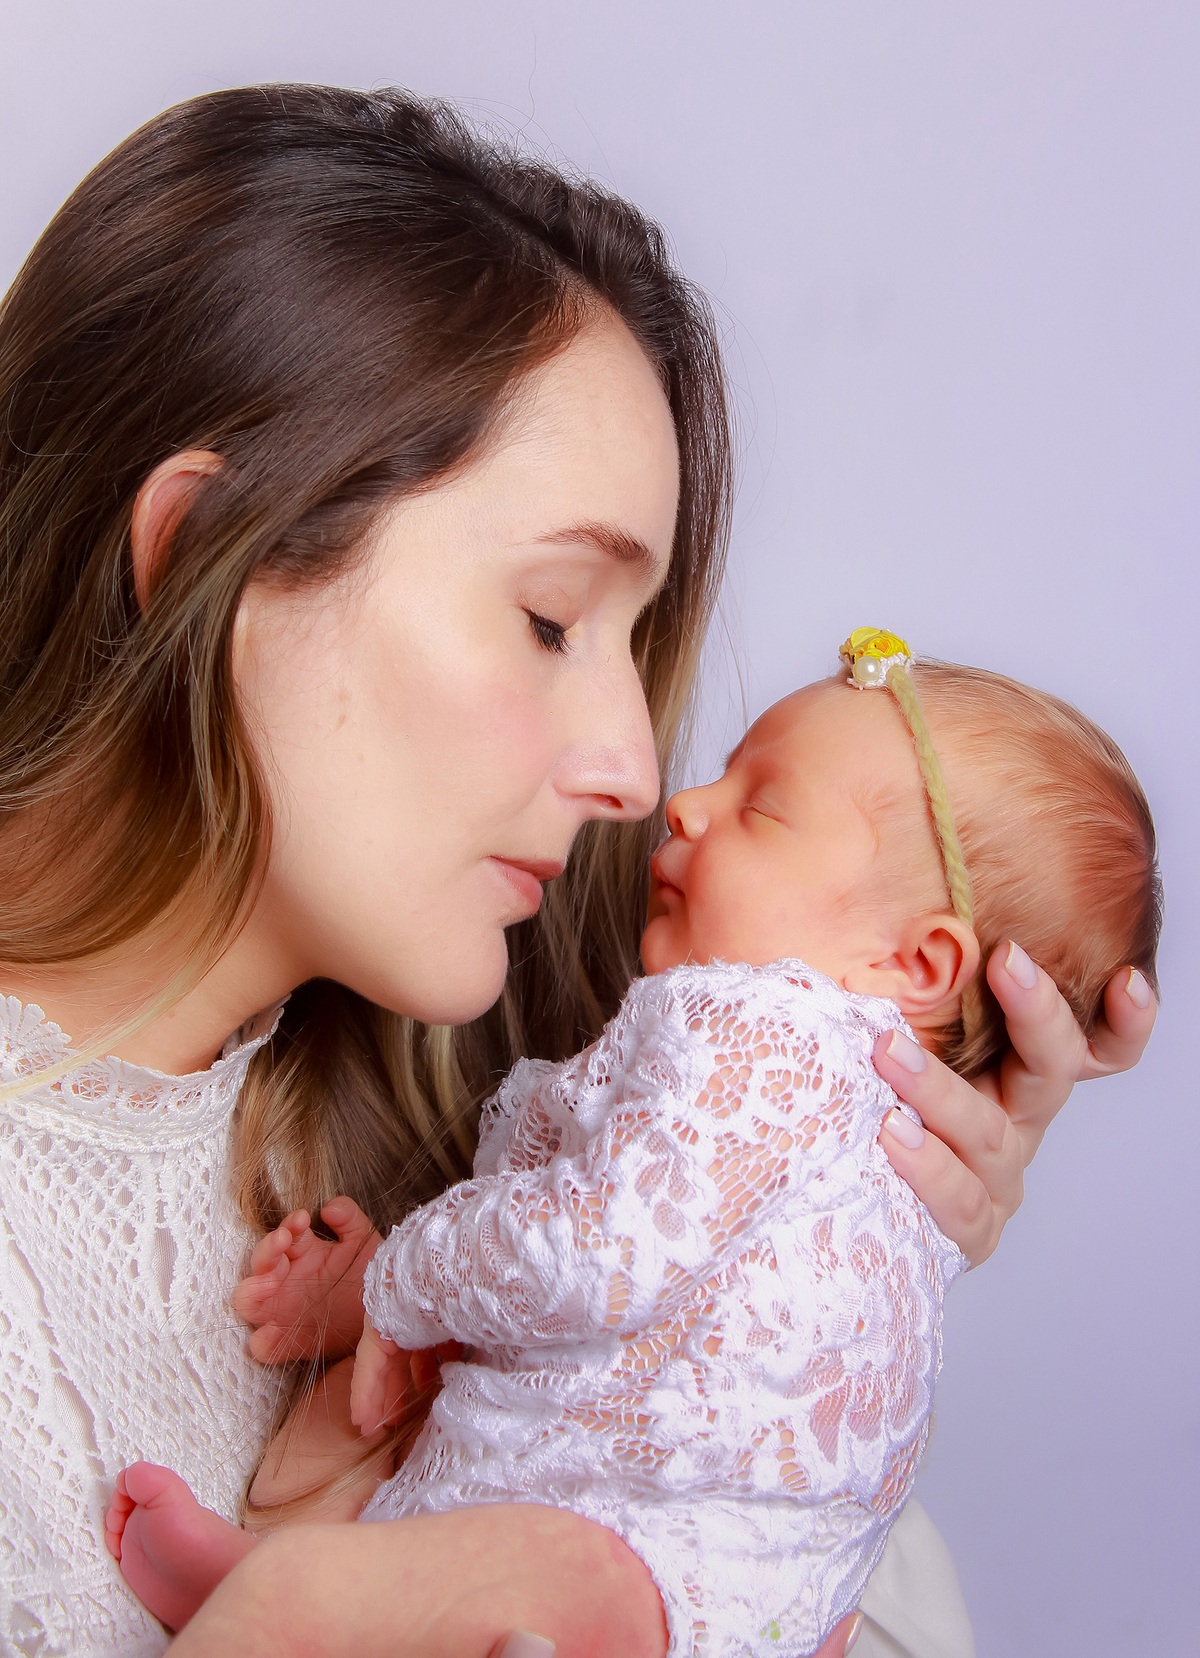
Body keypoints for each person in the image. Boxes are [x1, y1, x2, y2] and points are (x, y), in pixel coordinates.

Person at [0, 85, 1156, 1658]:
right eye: (551, 618)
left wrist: (852, 1265)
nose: (633, 765)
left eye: (635, 643)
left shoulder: (547, 1111)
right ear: (212, 554)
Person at [103, 640, 1160, 1656]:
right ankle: (282, 1584)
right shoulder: (894, 1129)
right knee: (407, 1507)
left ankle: (280, 1600)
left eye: (762, 805)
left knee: (366, 1557)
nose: (684, 802)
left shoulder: (767, 1029)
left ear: (918, 959)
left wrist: (399, 1272)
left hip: (650, 1550)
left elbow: (598, 1251)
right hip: (738, 1574)